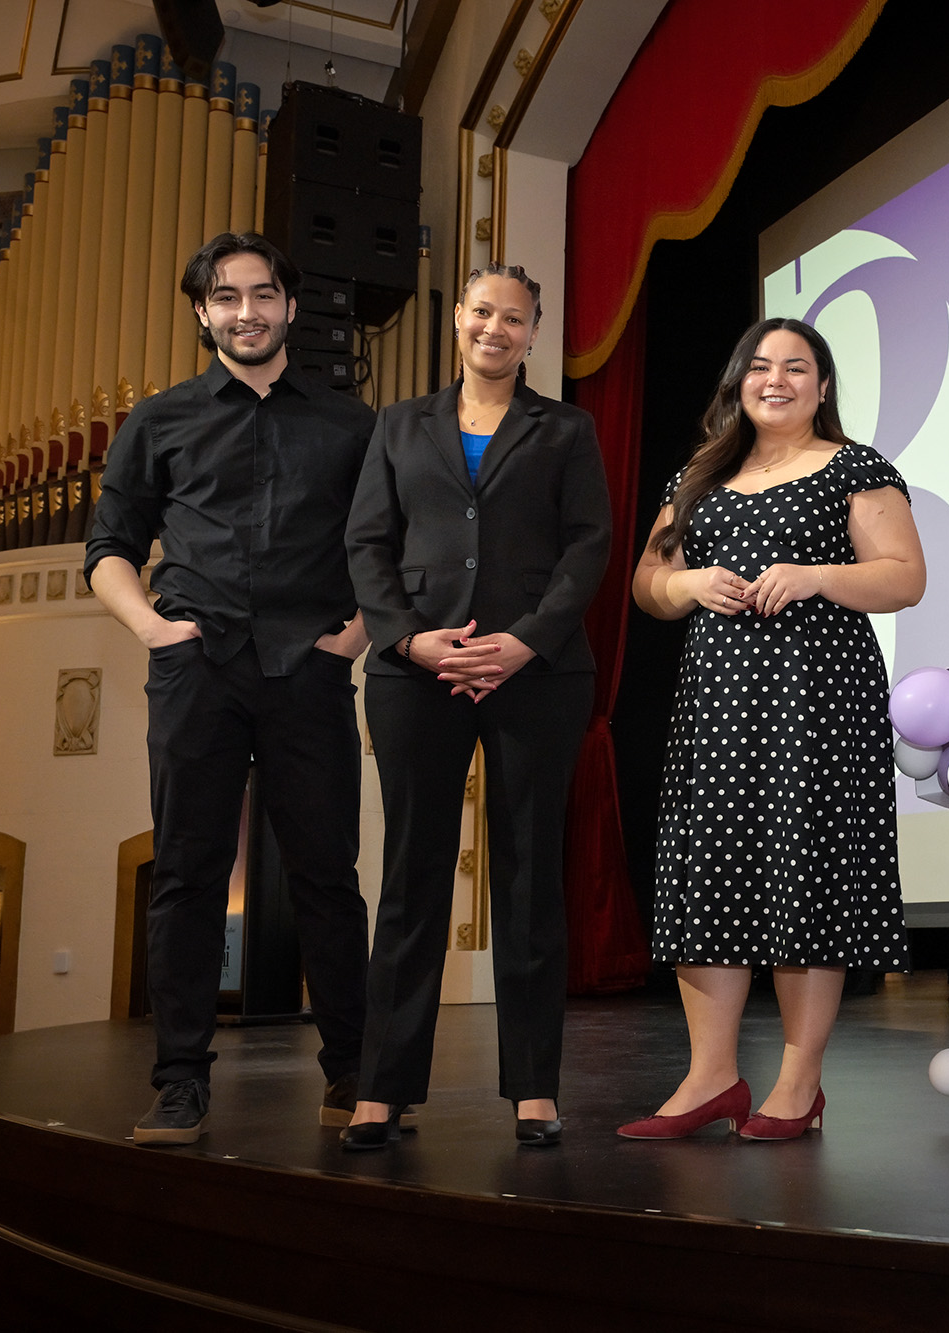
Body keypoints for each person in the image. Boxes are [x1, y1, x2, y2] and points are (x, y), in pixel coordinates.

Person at [86, 232, 375, 1145]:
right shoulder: (158, 421)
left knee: (328, 878)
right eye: (225, 296)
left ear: (290, 305)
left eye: (262, 293)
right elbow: (108, 551)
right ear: (202, 312)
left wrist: (354, 640)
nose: (245, 311)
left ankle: (354, 1074)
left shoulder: (351, 425)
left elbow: (392, 551)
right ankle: (179, 1083)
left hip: (310, 672)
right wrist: (152, 629)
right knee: (185, 878)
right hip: (196, 669)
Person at [622, 317, 925, 1141]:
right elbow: (649, 580)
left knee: (805, 879)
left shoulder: (854, 466)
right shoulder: (699, 475)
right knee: (711, 875)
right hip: (717, 704)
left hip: (818, 702)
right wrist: (685, 588)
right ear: (737, 382)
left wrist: (817, 575)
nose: (777, 379)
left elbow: (905, 577)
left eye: (797, 367)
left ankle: (799, 1084)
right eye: (760, 366)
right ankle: (711, 1076)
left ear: (823, 387)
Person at [341, 264, 610, 1149]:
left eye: (515, 317)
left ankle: (534, 1086)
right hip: (416, 673)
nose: (496, 328)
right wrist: (410, 638)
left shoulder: (566, 429)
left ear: (535, 333)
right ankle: (382, 1087)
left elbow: (588, 546)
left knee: (531, 876)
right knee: (412, 876)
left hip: (537, 672)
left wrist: (525, 639)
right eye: (482, 312)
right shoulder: (397, 424)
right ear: (458, 319)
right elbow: (366, 543)